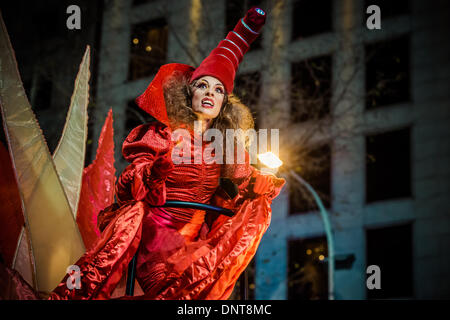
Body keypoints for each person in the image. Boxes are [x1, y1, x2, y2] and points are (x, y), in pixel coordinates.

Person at [49, 7, 285, 300]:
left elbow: (242, 188)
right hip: (154, 244)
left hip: (195, 246)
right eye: (203, 85)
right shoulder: (159, 136)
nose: (210, 93)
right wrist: (153, 170)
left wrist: (262, 183)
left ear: (225, 102)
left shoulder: (227, 149)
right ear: (190, 94)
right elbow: (127, 188)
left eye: (219, 89)